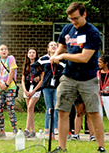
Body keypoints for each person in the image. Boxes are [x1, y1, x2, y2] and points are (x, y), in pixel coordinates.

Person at [49, 2, 106, 153]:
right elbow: (62, 44)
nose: (73, 22)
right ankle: (62, 148)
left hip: (88, 78)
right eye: (70, 19)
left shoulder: (92, 33)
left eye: (75, 18)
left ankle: (101, 147)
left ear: (84, 14)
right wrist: (55, 55)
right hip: (68, 77)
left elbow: (84, 57)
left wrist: (62, 56)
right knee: (62, 111)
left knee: (93, 112)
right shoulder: (68, 29)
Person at [32, 41, 65, 139]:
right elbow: (33, 66)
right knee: (49, 108)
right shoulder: (44, 58)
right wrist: (37, 75)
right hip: (46, 86)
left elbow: (67, 68)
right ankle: (47, 128)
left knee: (56, 107)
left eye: (55, 45)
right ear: (48, 49)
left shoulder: (61, 58)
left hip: (58, 85)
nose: (54, 46)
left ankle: (56, 128)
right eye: (52, 45)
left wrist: (59, 63)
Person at [0, 44, 18, 139]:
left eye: (5, 49)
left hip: (10, 87)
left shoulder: (11, 59)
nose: (4, 51)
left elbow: (12, 71)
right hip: (0, 88)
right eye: (2, 49)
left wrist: (7, 84)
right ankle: (1, 131)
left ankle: (15, 131)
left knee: (10, 109)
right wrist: (0, 85)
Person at [21, 47, 44, 138]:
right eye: (30, 52)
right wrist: (24, 90)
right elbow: (22, 80)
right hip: (27, 89)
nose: (31, 54)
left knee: (30, 107)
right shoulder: (26, 66)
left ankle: (26, 129)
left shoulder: (39, 65)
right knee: (30, 110)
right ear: (27, 54)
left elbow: (42, 80)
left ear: (36, 54)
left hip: (35, 89)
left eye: (33, 52)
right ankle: (33, 131)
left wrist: (34, 91)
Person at [97, 55, 109, 120]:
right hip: (98, 96)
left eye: (100, 62)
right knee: (99, 115)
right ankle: (99, 129)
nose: (98, 64)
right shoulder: (97, 73)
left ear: (106, 63)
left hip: (107, 95)